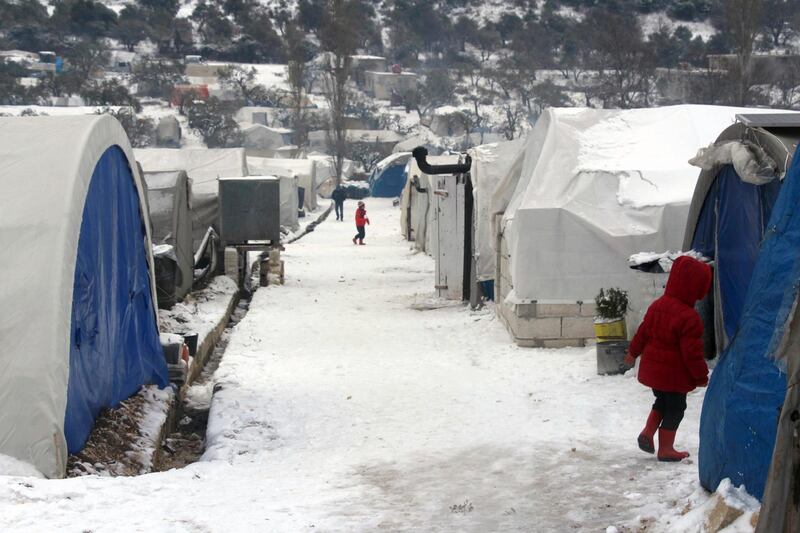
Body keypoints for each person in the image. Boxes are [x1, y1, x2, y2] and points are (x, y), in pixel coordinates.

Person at [624, 255, 712, 462]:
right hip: (674, 377)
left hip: (654, 372)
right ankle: (666, 448)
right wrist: (700, 376)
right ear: (696, 288)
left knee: (661, 401)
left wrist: (633, 352)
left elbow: (643, 332)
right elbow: (692, 354)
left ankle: (647, 431)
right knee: (676, 408)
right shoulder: (689, 318)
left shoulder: (658, 305)